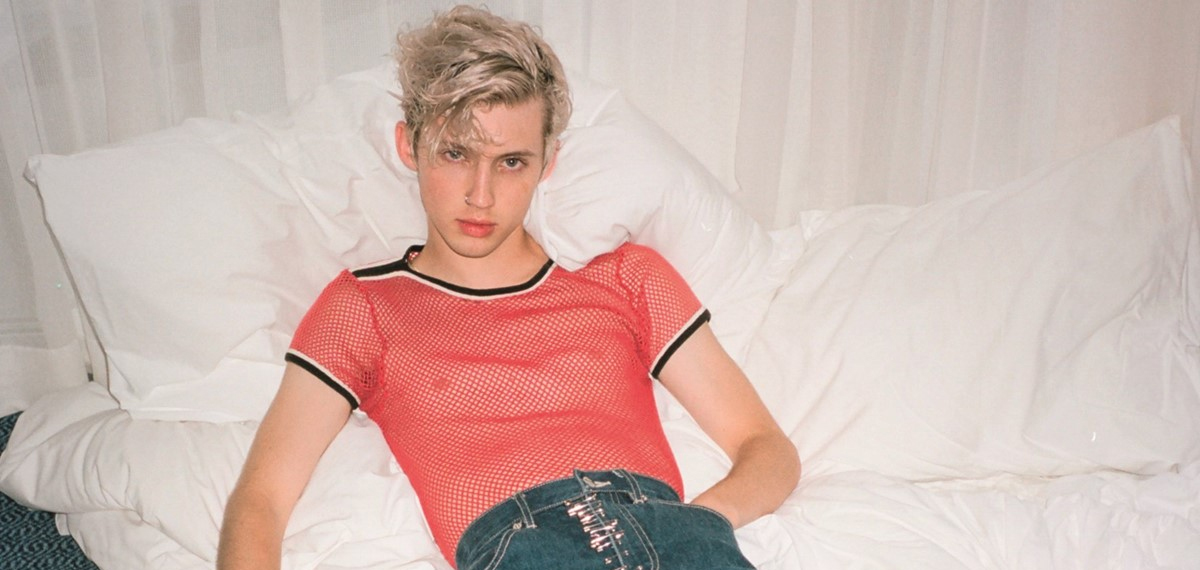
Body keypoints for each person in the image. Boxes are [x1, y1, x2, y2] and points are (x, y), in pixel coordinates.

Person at [217, 5, 799, 570]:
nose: (481, 194)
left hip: (675, 534)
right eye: (455, 153)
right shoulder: (364, 307)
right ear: (408, 145)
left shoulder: (625, 277)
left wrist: (702, 521)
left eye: (511, 161)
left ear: (548, 161)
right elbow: (261, 501)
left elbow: (766, 447)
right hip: (517, 547)